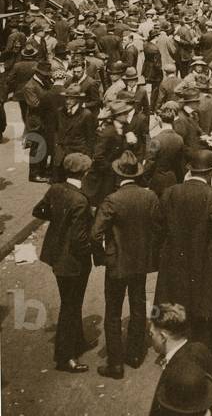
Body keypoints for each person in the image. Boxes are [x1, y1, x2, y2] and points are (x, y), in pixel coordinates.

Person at [154, 149, 212, 369]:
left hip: (176, 259)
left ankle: (180, 354)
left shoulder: (171, 192)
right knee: (210, 309)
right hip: (207, 260)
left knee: (180, 306)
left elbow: (159, 223)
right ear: (210, 173)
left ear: (190, 171)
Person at [91, 150, 161, 378]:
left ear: (118, 175)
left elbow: (95, 234)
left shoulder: (112, 199)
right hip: (140, 263)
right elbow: (159, 227)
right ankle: (135, 355)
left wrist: (101, 258)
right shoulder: (149, 196)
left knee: (113, 312)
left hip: (117, 264)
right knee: (138, 306)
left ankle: (115, 364)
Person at [32, 152, 94, 372]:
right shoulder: (80, 200)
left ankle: (77, 342)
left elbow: (38, 210)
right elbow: (79, 240)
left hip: (56, 255)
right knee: (70, 305)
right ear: (85, 173)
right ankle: (65, 357)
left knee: (70, 301)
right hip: (73, 262)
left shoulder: (56, 189)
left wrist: (59, 222)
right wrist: (92, 250)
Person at [148, 303, 212, 416]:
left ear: (163, 337)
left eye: (151, 334)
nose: (151, 338)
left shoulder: (177, 374)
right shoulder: (200, 349)